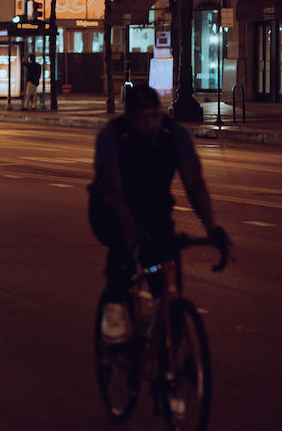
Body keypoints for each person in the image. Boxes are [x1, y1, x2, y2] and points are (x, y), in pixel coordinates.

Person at [88, 85, 230, 343]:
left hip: (154, 207)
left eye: (154, 115)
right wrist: (130, 228)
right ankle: (114, 308)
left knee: (166, 270)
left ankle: (167, 350)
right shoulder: (112, 136)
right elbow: (112, 191)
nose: (149, 123)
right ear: (128, 118)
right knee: (123, 250)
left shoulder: (174, 134)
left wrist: (212, 228)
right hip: (110, 208)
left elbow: (194, 184)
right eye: (141, 118)